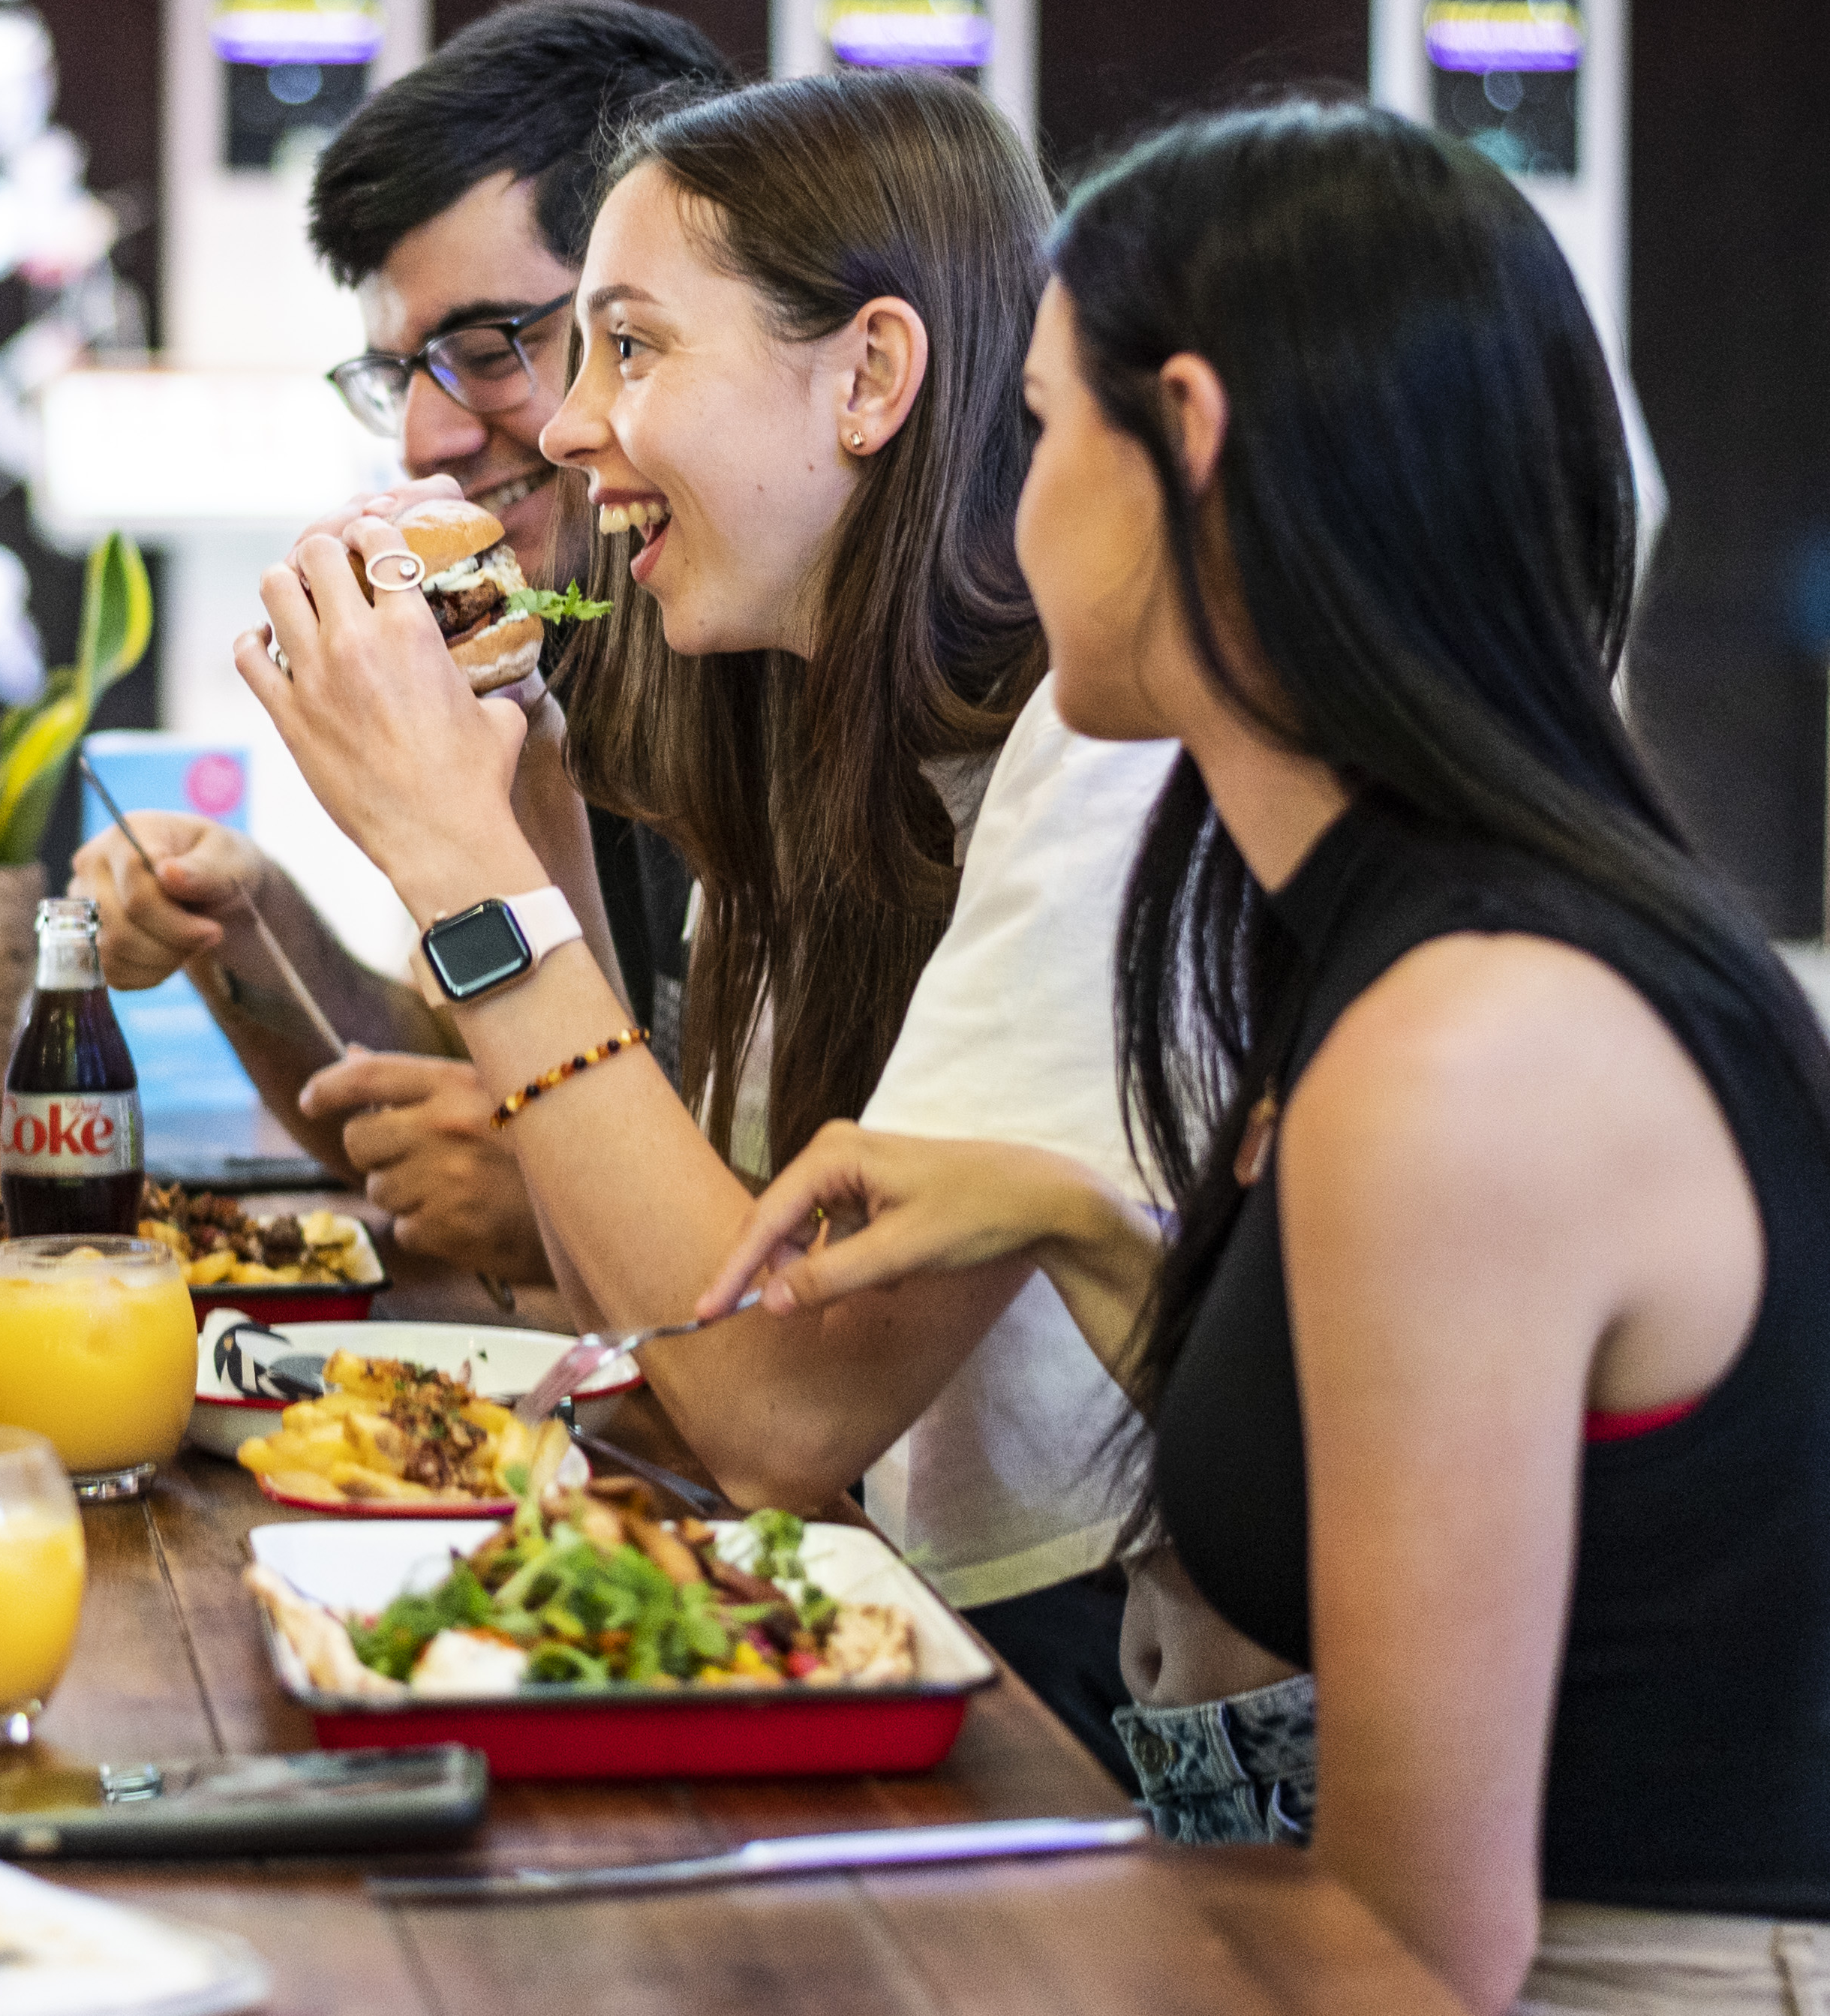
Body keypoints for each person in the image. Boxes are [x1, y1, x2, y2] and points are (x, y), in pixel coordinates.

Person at [696, 102, 1830, 2014]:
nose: (1000, 504)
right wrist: (1072, 1219)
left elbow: (1407, 1946)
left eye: (1040, 433)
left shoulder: (1466, 1047)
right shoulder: (1390, 923)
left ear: (1191, 442)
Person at [241, 65, 1177, 1759]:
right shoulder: (802, 736)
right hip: (904, 1628)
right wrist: (508, 776)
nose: (570, 424)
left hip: (1080, 1693)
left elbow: (770, 1407)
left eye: (631, 347)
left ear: (869, 378)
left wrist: (461, 869)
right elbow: (659, 1299)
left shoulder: (1092, 757)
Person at [71, 0, 730, 1266]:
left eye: (486, 350)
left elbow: (813, 1301)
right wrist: (244, 920)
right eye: (399, 374)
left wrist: (555, 1195)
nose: (426, 435)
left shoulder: (785, 675)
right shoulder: (550, 656)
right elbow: (438, 1090)